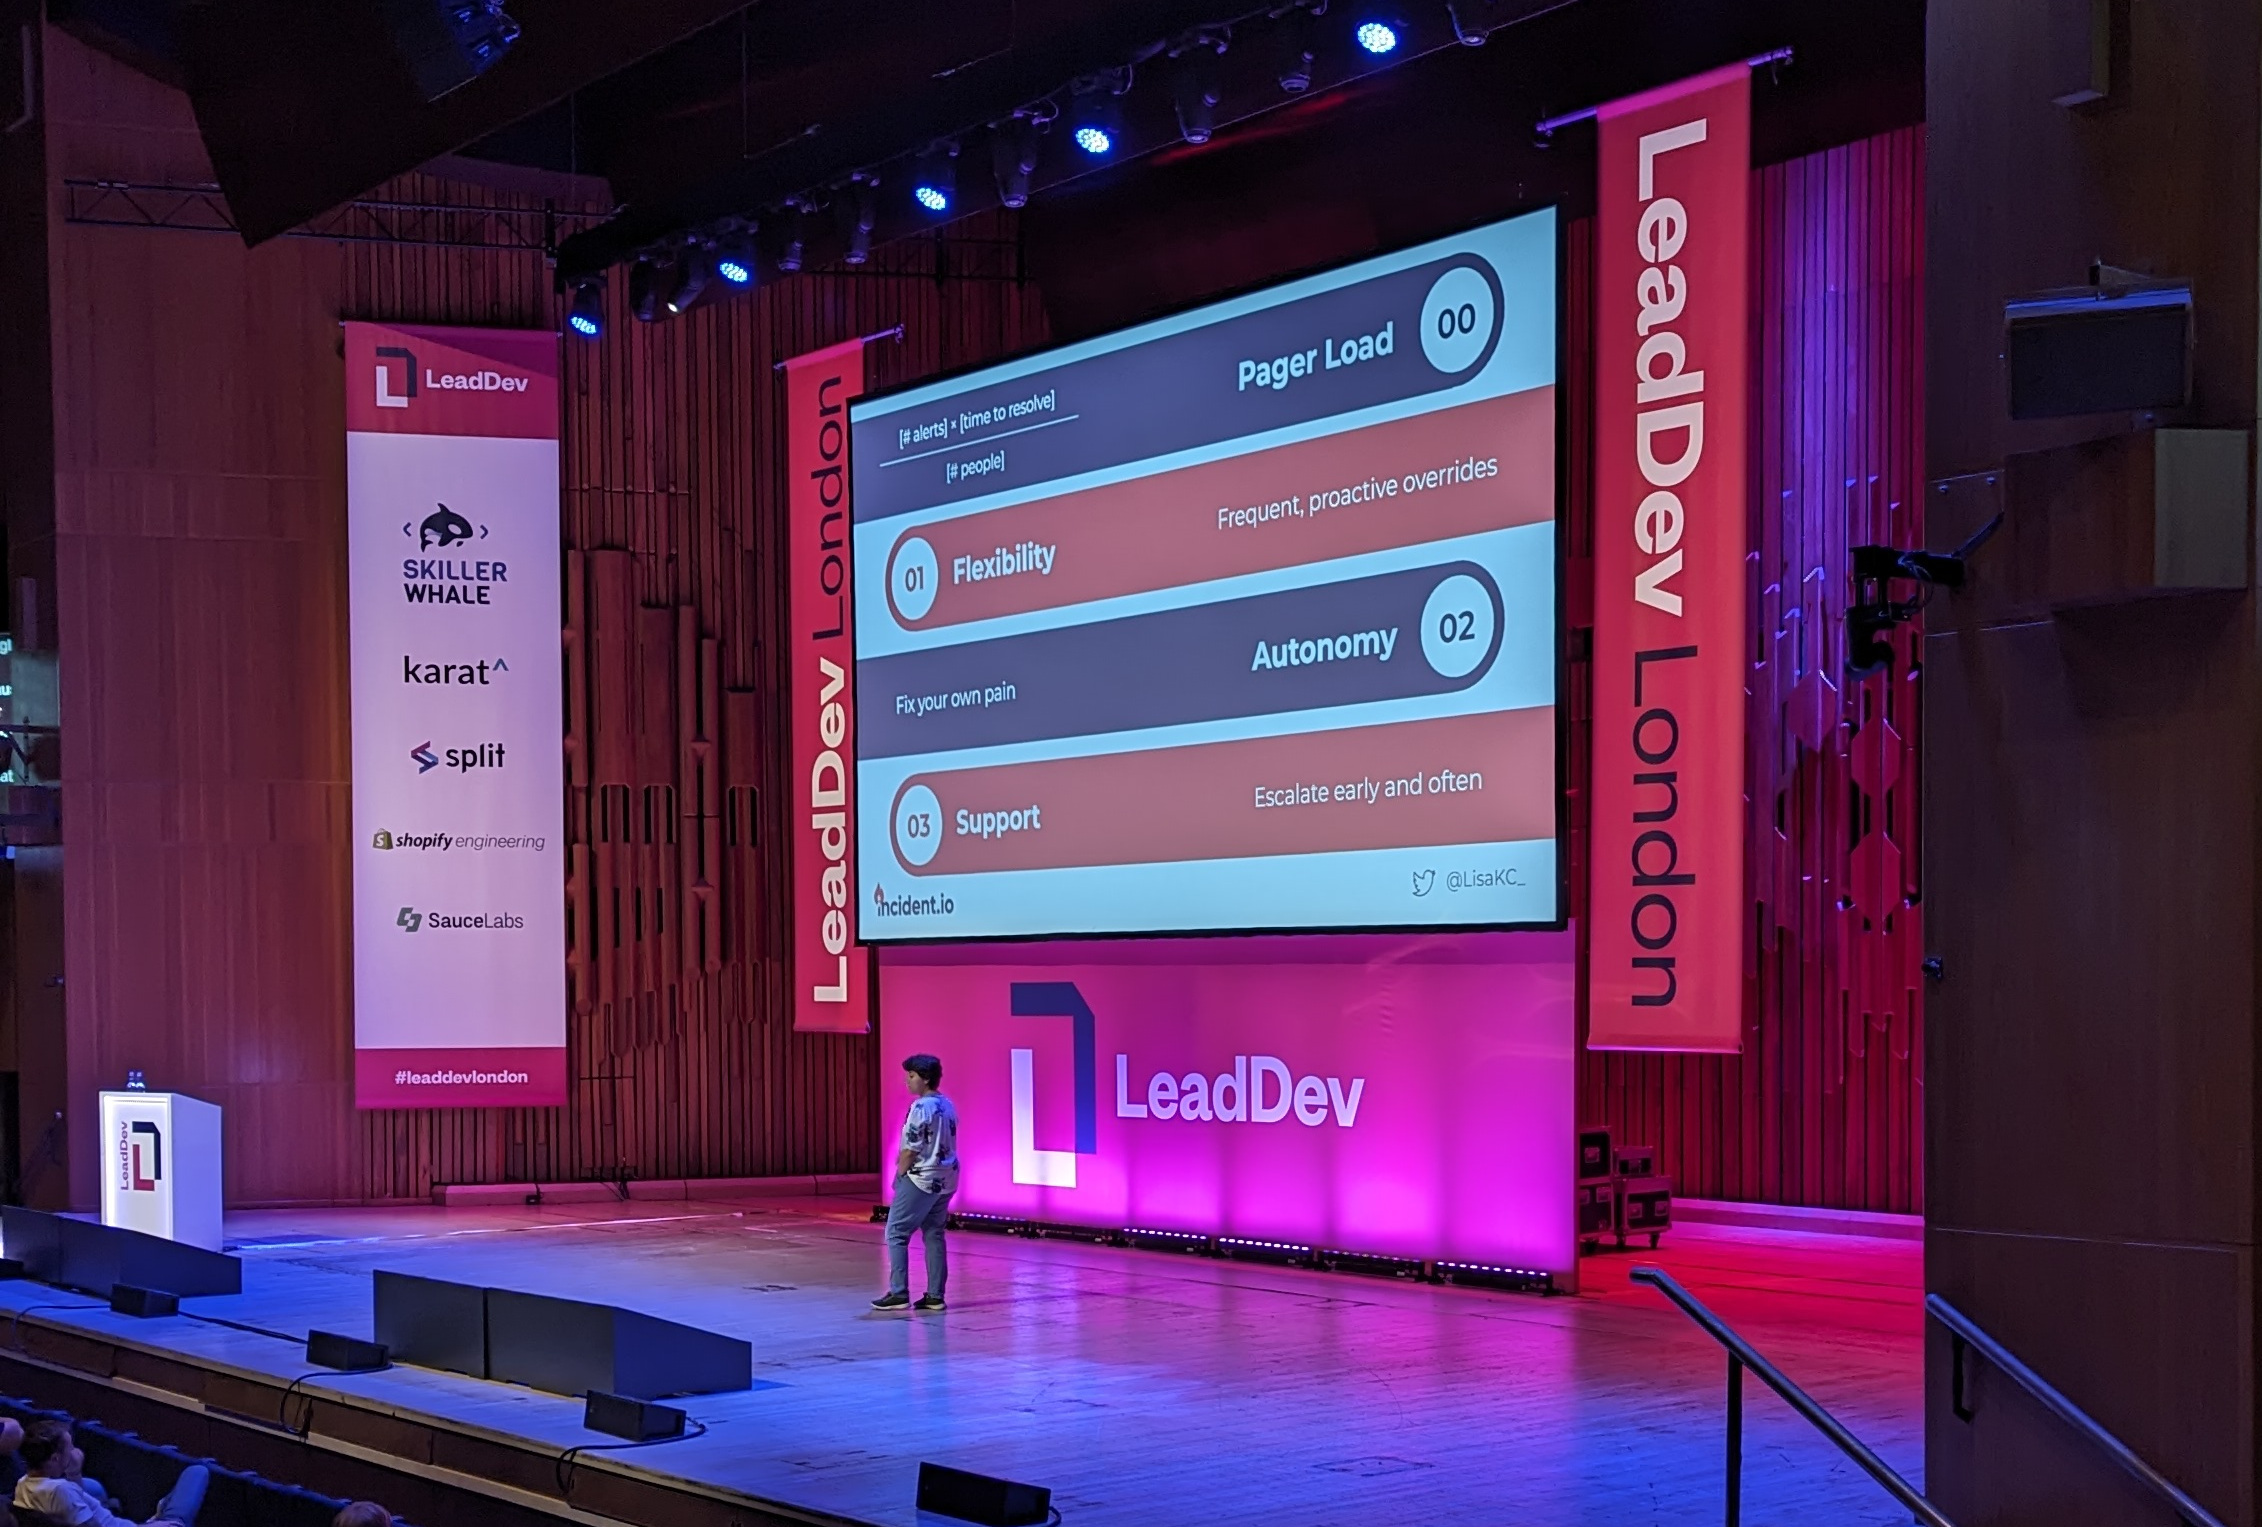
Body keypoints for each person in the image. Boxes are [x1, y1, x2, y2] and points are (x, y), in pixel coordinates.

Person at [871, 1052, 958, 1313]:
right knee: (934, 1234)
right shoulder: (947, 1104)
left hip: (921, 1177)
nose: (907, 1081)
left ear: (925, 1078)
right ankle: (935, 1295)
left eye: (911, 1076)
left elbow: (911, 1148)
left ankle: (898, 1292)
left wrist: (899, 1174)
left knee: (896, 1232)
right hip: (946, 1178)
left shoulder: (921, 1108)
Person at [13, 1421, 204, 1527]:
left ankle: (159, 1516)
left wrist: (74, 1472)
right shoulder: (60, 1490)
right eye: (70, 1448)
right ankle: (164, 1520)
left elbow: (75, 1506)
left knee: (93, 1488)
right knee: (198, 1472)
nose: (75, 1452)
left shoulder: (23, 1485)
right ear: (55, 1459)